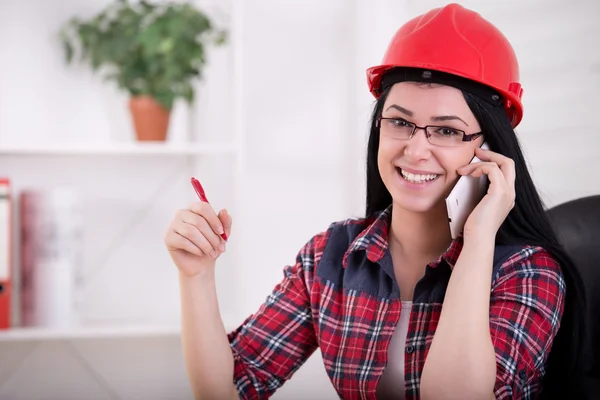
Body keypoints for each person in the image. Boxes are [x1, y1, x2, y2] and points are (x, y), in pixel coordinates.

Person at [164, 3, 587, 399]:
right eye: (401, 122)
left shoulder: (527, 272)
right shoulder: (331, 256)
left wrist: (478, 241)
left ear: (490, 150)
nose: (416, 150)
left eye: (446, 131)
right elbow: (232, 388)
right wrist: (196, 275)